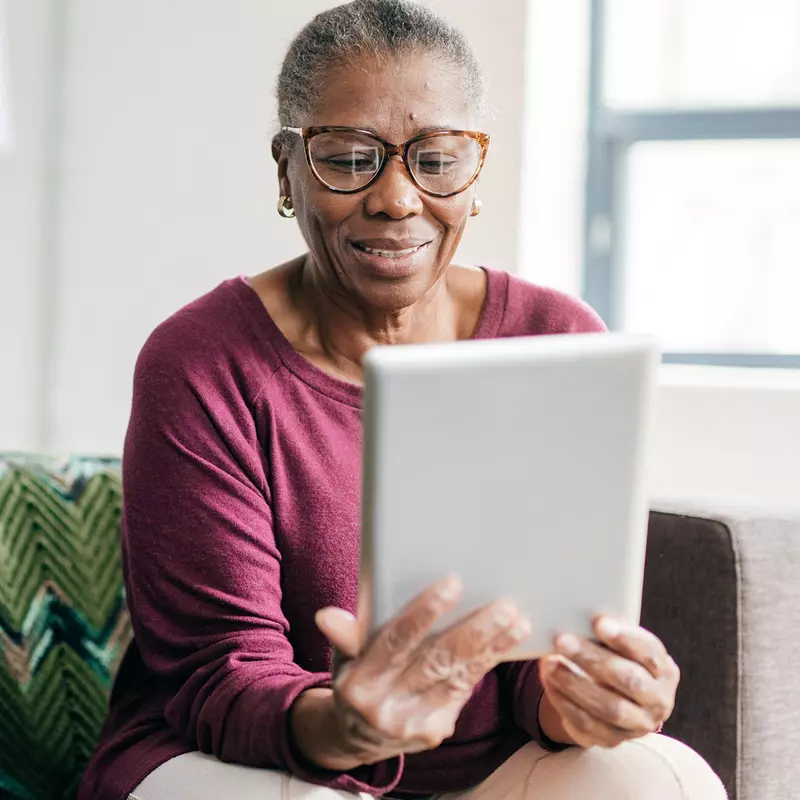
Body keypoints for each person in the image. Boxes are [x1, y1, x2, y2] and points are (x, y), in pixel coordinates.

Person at [79, 1, 728, 798]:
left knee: (659, 778)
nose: (395, 198)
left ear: (474, 169)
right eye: (350, 159)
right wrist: (346, 725)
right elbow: (219, 676)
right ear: (286, 169)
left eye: (437, 158)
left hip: (488, 771)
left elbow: (548, 635)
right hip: (247, 761)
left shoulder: (556, 338)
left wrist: (581, 701)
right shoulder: (203, 361)